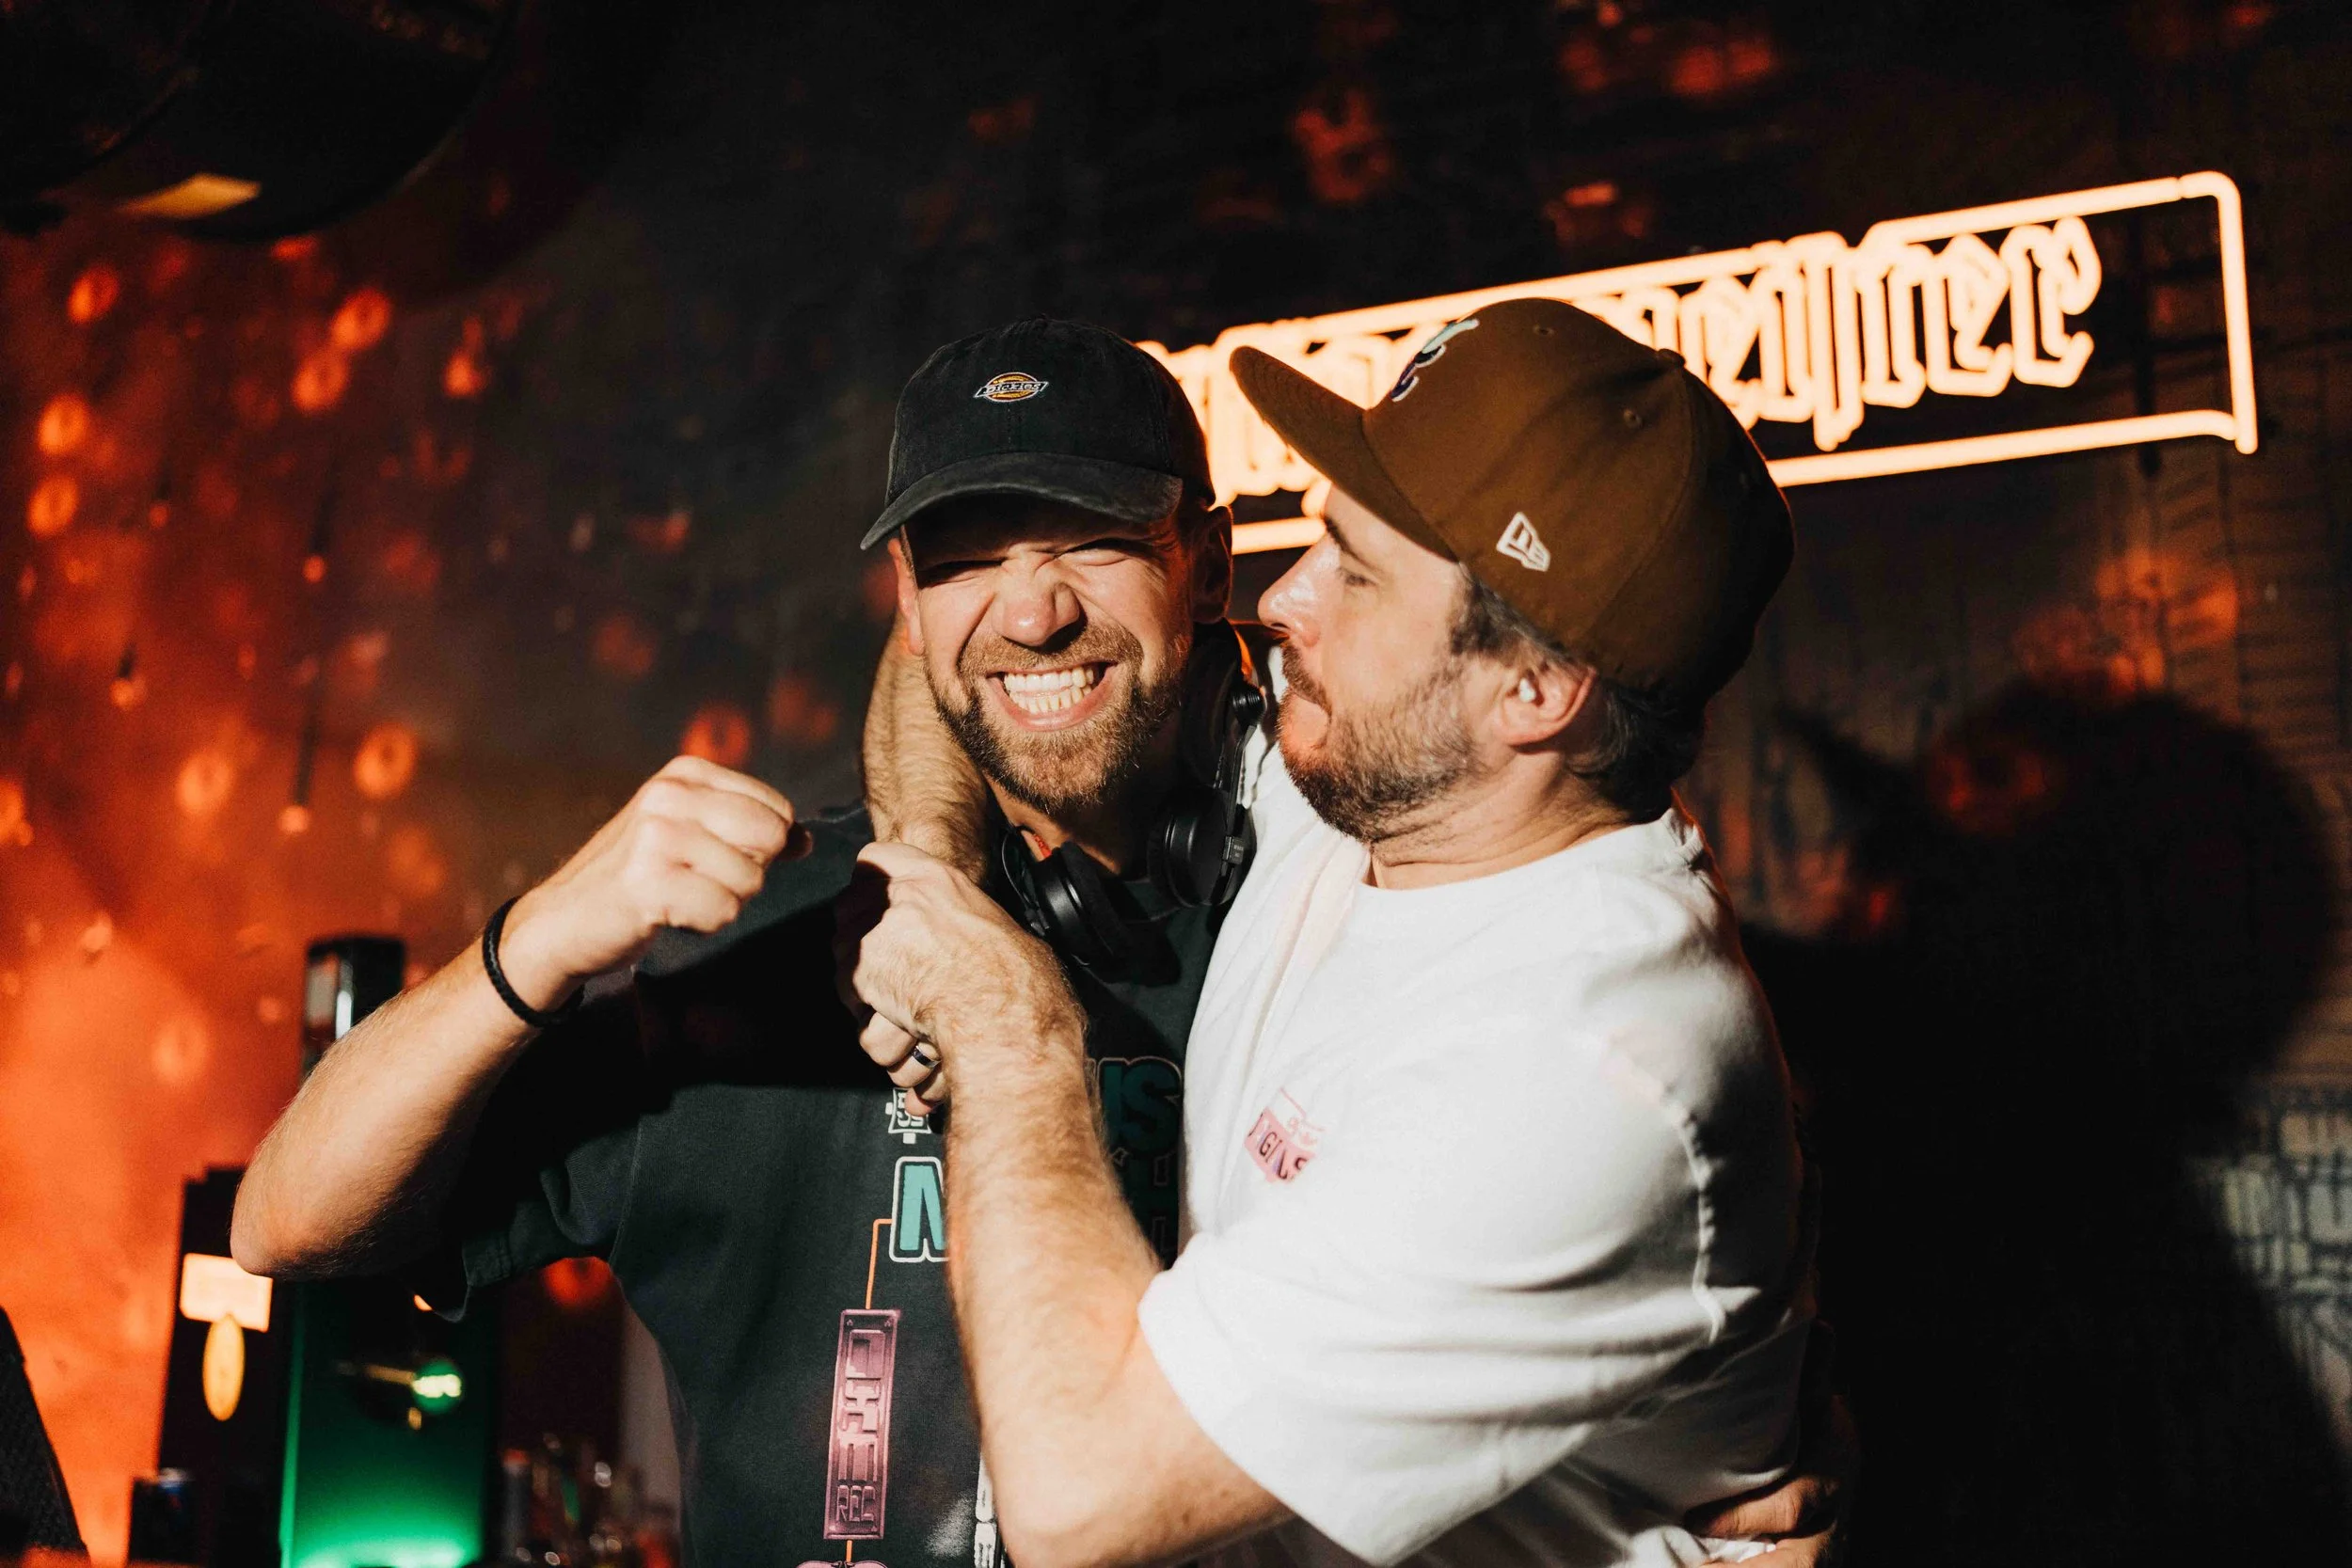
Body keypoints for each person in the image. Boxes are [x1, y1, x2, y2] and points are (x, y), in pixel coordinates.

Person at [230, 317, 1258, 1568]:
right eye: (968, 558)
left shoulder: (1304, 924)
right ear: (910, 603)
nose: (1033, 610)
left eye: (1092, 542)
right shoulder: (773, 931)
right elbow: (283, 1224)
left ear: (1208, 566)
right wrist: (537, 939)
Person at [849, 297, 1817, 1568]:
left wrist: (1002, 1022)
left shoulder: (1575, 1070)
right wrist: (933, 873)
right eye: (1315, 539)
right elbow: (948, 647)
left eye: (1354, 572)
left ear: (1535, 690)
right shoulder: (1383, 786)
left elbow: (1079, 1493)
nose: (1283, 601)